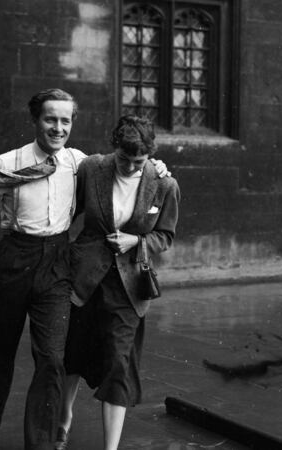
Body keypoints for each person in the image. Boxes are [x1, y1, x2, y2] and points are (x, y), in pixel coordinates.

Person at [0, 90, 169, 450]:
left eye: (65, 121)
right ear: (35, 120)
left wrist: (156, 168)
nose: (58, 127)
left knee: (52, 356)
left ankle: (42, 443)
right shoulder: (8, 163)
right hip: (14, 259)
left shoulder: (79, 164)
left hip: (57, 260)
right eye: (51, 119)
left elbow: (123, 168)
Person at [56, 115, 180, 450]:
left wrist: (135, 242)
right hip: (84, 279)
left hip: (129, 285)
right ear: (114, 149)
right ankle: (63, 422)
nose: (128, 167)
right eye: (123, 159)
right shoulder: (92, 169)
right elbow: (67, 211)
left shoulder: (164, 184)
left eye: (137, 162)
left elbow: (165, 236)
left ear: (150, 155)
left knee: (119, 363)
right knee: (72, 354)